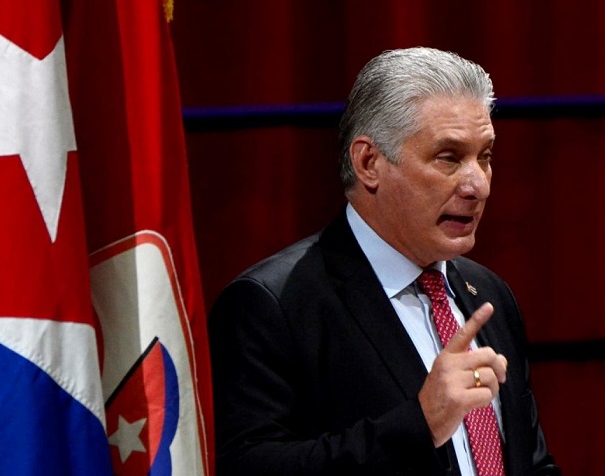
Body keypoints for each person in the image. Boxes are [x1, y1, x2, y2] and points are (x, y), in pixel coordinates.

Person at [209, 46, 561, 476]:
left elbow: (530, 465)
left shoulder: (489, 294)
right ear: (369, 163)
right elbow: (249, 468)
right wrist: (421, 423)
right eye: (449, 157)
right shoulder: (273, 304)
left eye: (484, 157)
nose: (478, 186)